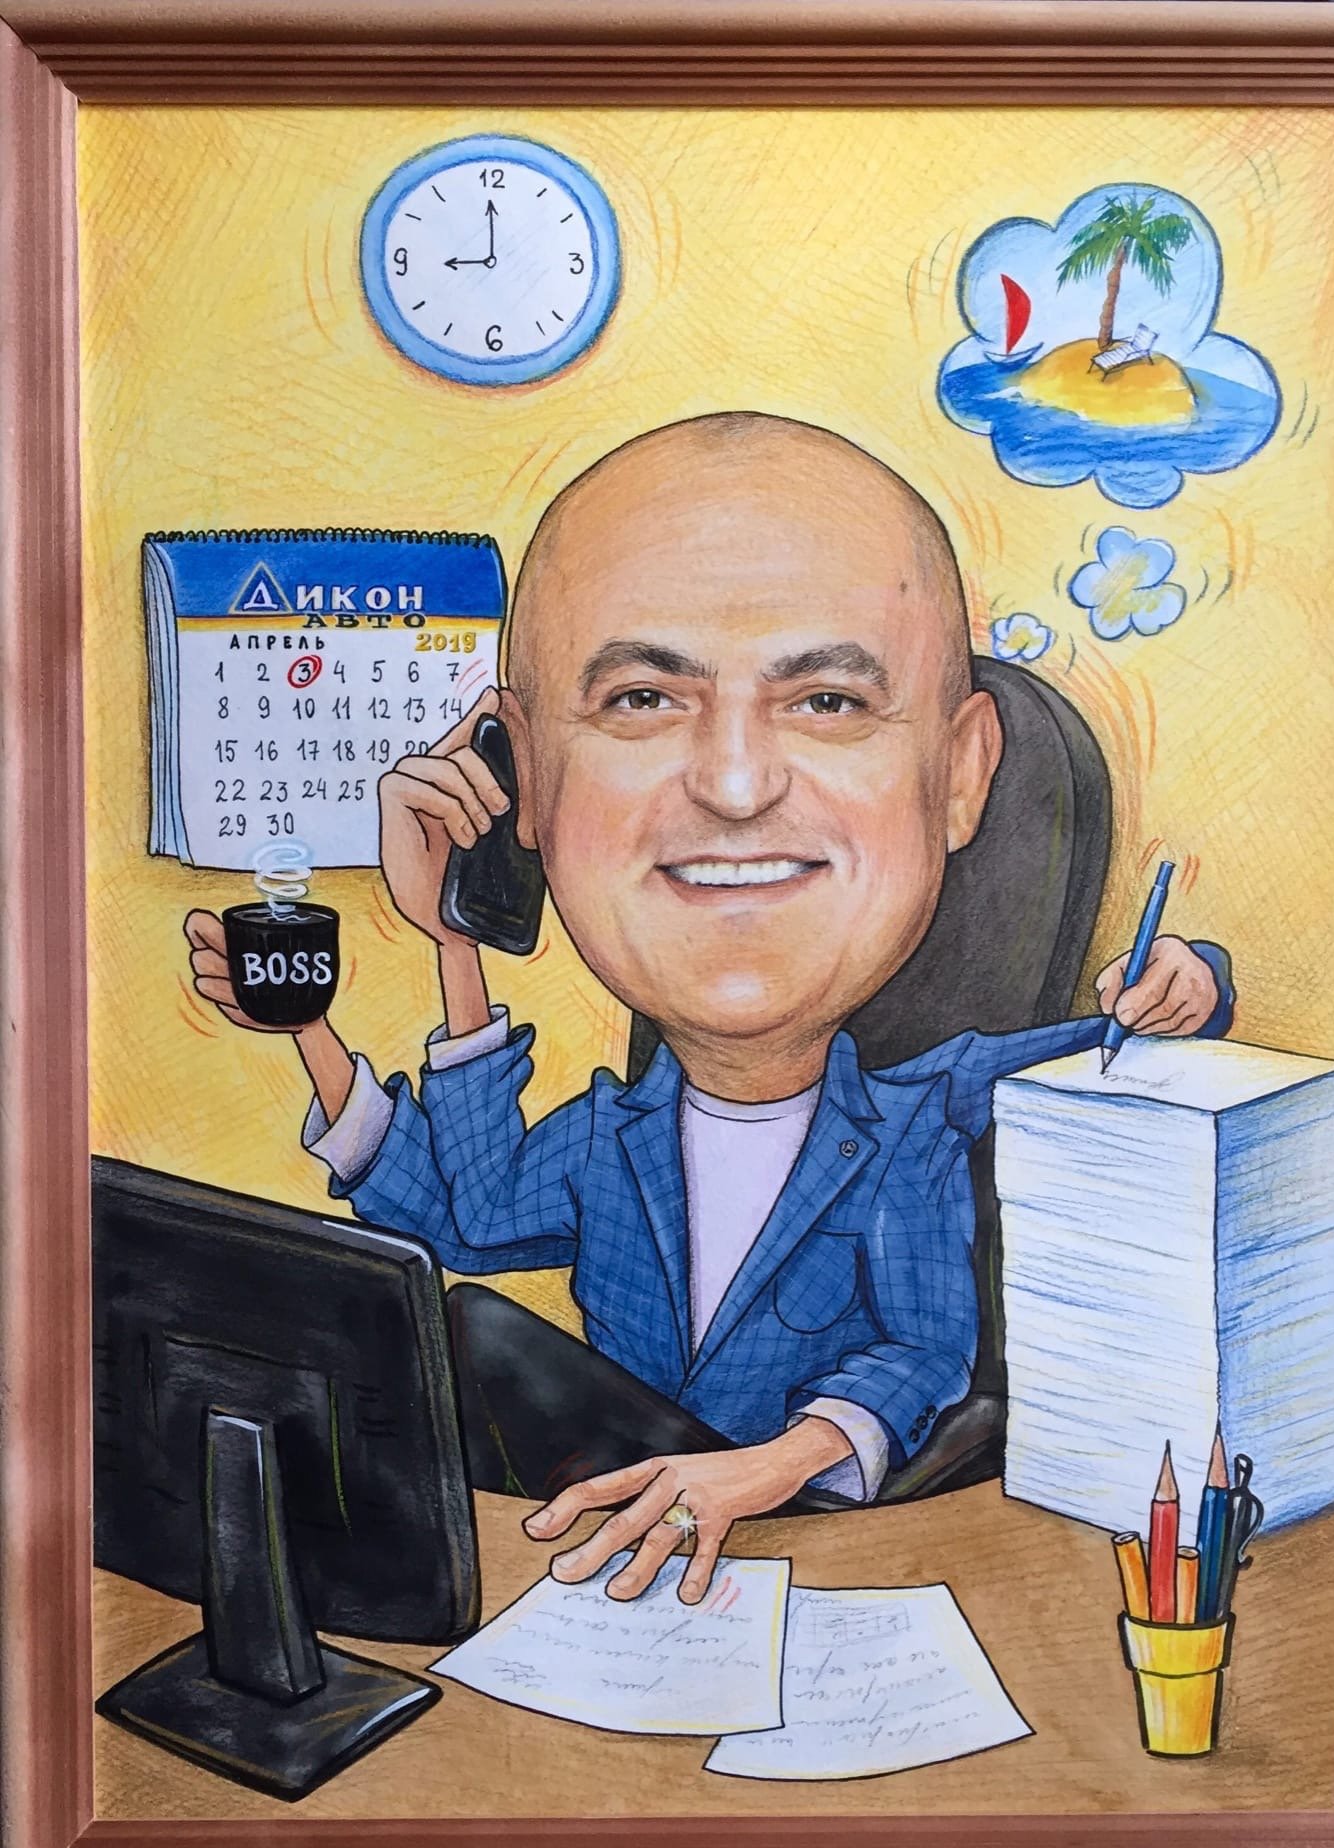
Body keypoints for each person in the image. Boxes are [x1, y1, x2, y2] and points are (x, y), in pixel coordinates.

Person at [185, 413, 1233, 1606]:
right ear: (528, 780)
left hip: (833, 1562)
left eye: (827, 700)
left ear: (963, 774)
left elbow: (925, 1347)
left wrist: (1187, 982)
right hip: (620, 1554)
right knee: (472, 1340)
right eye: (642, 697)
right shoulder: (613, 1137)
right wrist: (419, 958)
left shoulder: (920, 1121)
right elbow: (465, 1215)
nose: (735, 787)